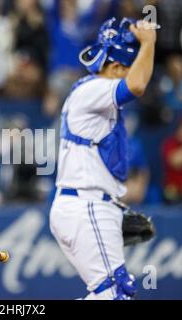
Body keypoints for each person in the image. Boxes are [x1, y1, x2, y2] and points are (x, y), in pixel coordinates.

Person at [49, 17, 156, 299]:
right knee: (114, 293)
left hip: (90, 205)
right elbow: (137, 85)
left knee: (110, 292)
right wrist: (149, 43)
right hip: (86, 204)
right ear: (117, 66)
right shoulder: (91, 89)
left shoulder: (94, 95)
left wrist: (116, 211)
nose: (133, 72)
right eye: (128, 68)